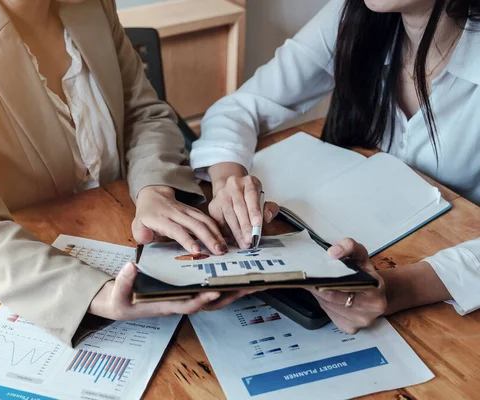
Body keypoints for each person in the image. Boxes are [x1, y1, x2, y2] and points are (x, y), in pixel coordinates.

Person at [0, 0, 251, 347]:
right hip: (26, 273)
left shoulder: (93, 4)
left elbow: (144, 113)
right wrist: (96, 294)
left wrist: (154, 188)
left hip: (129, 230)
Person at [190, 0, 480, 333]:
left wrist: (401, 288)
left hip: (450, 295)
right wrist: (229, 181)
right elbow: (240, 107)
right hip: (363, 241)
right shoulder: (352, 13)